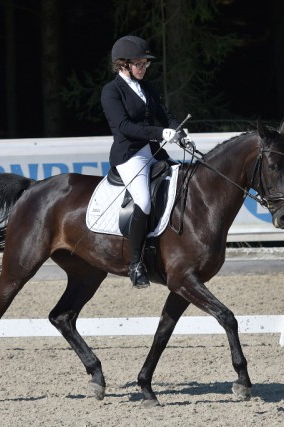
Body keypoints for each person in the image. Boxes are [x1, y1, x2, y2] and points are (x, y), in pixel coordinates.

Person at [101, 35, 185, 289]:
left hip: (153, 151)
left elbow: (164, 114)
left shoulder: (145, 86)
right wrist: (160, 133)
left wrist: (177, 130)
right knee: (144, 200)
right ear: (123, 64)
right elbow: (125, 127)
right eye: (139, 63)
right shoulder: (111, 91)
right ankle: (135, 263)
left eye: (145, 64)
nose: (144, 68)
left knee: (181, 182)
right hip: (131, 155)